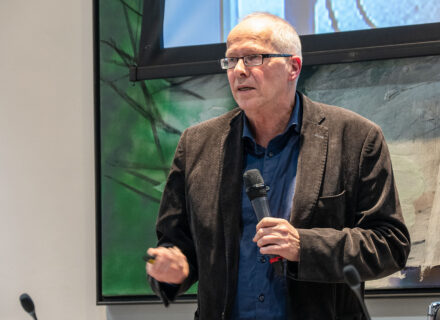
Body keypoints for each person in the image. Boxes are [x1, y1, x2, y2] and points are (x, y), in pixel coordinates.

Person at [146, 12, 410, 320]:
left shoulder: (355, 138)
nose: (239, 71)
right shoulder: (196, 145)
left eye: (254, 58)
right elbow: (175, 246)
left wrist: (305, 246)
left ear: (293, 67)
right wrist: (169, 268)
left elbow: (390, 245)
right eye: (231, 61)